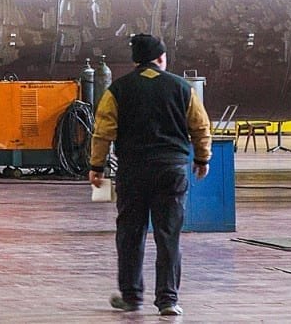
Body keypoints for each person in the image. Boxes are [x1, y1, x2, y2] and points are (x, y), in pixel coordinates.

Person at [88, 33, 211, 318]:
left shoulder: (117, 90)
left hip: (133, 171)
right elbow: (200, 126)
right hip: (171, 171)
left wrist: (97, 167)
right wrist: (202, 158)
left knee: (130, 234)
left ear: (136, 61)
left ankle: (131, 297)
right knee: (168, 235)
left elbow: (103, 132)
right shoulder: (183, 88)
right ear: (161, 58)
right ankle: (168, 300)